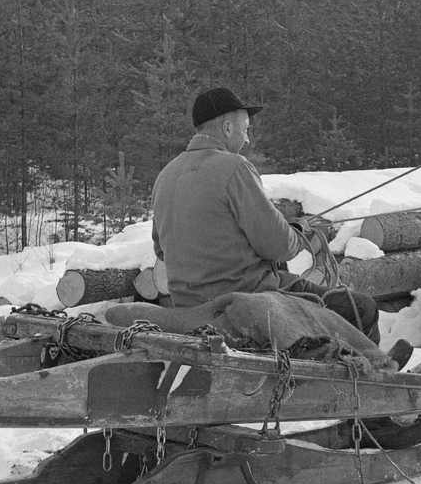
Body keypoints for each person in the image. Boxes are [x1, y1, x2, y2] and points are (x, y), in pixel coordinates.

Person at [151, 86, 383, 344]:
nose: (247, 139)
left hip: (190, 306)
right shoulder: (235, 168)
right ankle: (374, 369)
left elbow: (162, 249)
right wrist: (297, 235)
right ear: (228, 128)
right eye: (245, 129)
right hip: (249, 299)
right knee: (362, 308)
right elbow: (278, 246)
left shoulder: (166, 176)